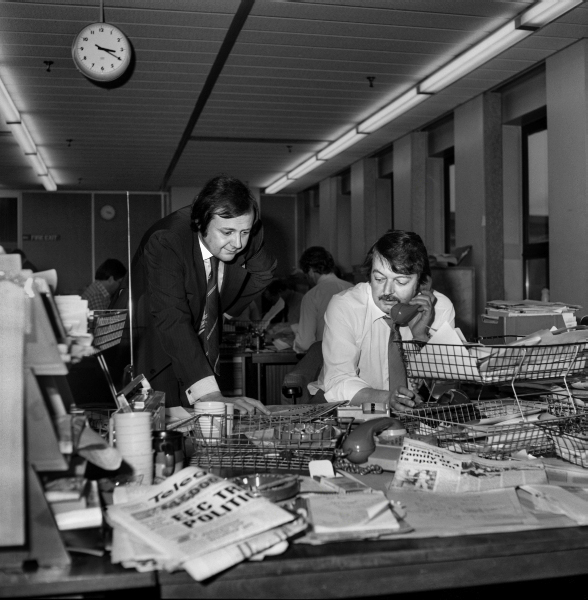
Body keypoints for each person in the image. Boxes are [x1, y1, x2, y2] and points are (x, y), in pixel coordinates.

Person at [118, 175, 276, 414]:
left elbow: (264, 273)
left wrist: (223, 312)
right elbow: (171, 318)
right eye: (227, 232)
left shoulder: (246, 232)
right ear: (201, 222)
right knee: (166, 432)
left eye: (244, 232)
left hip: (198, 346)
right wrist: (210, 394)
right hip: (149, 348)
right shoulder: (167, 241)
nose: (238, 242)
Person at [312, 230, 455, 412]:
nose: (387, 291)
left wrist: (421, 337)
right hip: (349, 410)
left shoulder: (440, 308)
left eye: (401, 282)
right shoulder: (345, 306)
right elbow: (338, 380)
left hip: (416, 417)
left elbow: (445, 389)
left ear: (421, 282)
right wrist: (387, 398)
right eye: (379, 278)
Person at [292, 246, 352, 353]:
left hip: (327, 360)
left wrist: (294, 342)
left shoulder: (312, 295)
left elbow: (305, 344)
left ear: (310, 271)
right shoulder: (354, 288)